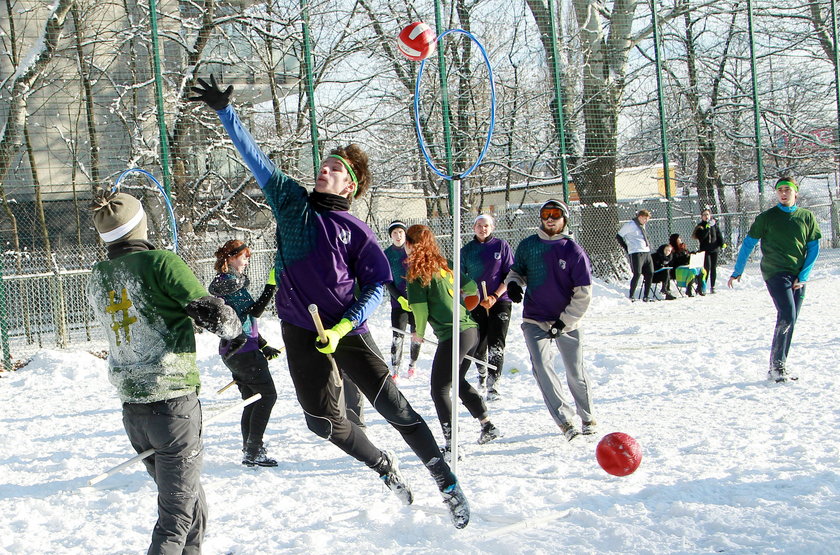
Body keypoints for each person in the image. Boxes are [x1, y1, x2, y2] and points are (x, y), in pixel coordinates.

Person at [190, 75, 470, 528]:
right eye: (324, 163)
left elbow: (378, 287)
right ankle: (383, 466)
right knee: (321, 424)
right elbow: (255, 157)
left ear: (350, 186)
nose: (325, 169)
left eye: (336, 168)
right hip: (301, 332)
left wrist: (344, 326)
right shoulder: (292, 203)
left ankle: (447, 482)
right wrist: (226, 111)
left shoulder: (359, 233)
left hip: (347, 330)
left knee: (396, 409)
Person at [86, 190, 244, 554]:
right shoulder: (160, 262)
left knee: (191, 508)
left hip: (135, 414)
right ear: (141, 224)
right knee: (175, 520)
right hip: (172, 407)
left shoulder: (98, 275)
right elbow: (218, 317)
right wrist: (236, 331)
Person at [404, 224, 502, 459]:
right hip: (470, 331)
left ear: (410, 244)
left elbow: (420, 310)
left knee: (439, 389)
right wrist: (462, 310)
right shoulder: (445, 265)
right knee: (455, 382)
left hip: (453, 335)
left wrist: (418, 332)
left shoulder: (416, 274)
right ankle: (487, 424)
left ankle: (452, 443)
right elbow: (472, 291)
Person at [505, 200, 596, 441]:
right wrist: (513, 283)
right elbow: (517, 271)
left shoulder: (573, 251)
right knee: (543, 369)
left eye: (556, 214)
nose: (550, 219)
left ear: (564, 218)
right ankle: (565, 421)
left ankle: (587, 416)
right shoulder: (528, 246)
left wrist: (563, 322)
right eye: (546, 214)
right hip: (535, 319)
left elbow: (583, 294)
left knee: (575, 371)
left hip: (567, 322)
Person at [728, 177, 821, 383]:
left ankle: (778, 366)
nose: (783, 193)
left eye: (787, 190)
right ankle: (777, 367)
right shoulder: (767, 217)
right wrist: (738, 270)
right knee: (787, 313)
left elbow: (814, 248)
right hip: (776, 272)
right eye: (780, 190)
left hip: (798, 274)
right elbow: (748, 243)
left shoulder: (806, 217)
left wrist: (803, 276)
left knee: (791, 318)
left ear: (795, 192)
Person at [209, 240, 281, 467]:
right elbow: (255, 310)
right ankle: (254, 450)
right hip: (242, 352)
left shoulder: (227, 282)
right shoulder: (230, 283)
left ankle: (250, 449)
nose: (247, 261)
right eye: (244, 257)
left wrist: (263, 344)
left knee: (251, 400)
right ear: (230, 258)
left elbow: (243, 321)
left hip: (236, 350)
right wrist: (271, 285)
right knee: (267, 396)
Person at [460, 214, 515, 400]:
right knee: (477, 345)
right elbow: (460, 278)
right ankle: (482, 372)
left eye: (486, 226)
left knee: (496, 342)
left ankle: (493, 384)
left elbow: (510, 275)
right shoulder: (467, 251)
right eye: (479, 225)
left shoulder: (502, 246)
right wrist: (467, 295)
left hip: (499, 301)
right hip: (476, 303)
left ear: (492, 227)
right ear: (473, 227)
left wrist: (494, 296)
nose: (483, 229)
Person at [383, 220, 421, 379]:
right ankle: (395, 369)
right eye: (394, 233)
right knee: (398, 337)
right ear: (390, 236)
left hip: (417, 302)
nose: (398, 236)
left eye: (401, 232)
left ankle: (412, 364)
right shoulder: (386, 255)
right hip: (398, 302)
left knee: (416, 335)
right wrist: (399, 298)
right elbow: (386, 280)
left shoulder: (414, 251)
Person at [616, 209, 654, 301]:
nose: (646, 221)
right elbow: (619, 236)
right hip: (636, 251)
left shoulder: (641, 226)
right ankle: (631, 295)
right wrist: (626, 247)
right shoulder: (630, 225)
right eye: (645, 219)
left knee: (650, 273)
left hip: (646, 251)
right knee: (637, 273)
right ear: (640, 217)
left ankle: (646, 296)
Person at [692, 209, 725, 293]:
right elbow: (701, 238)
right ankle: (703, 286)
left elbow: (718, 234)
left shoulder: (713, 225)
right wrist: (706, 228)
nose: (706, 216)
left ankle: (713, 286)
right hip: (705, 250)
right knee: (707, 267)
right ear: (701, 217)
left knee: (713, 268)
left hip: (714, 249)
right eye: (704, 215)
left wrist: (722, 243)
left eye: (707, 214)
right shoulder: (700, 226)